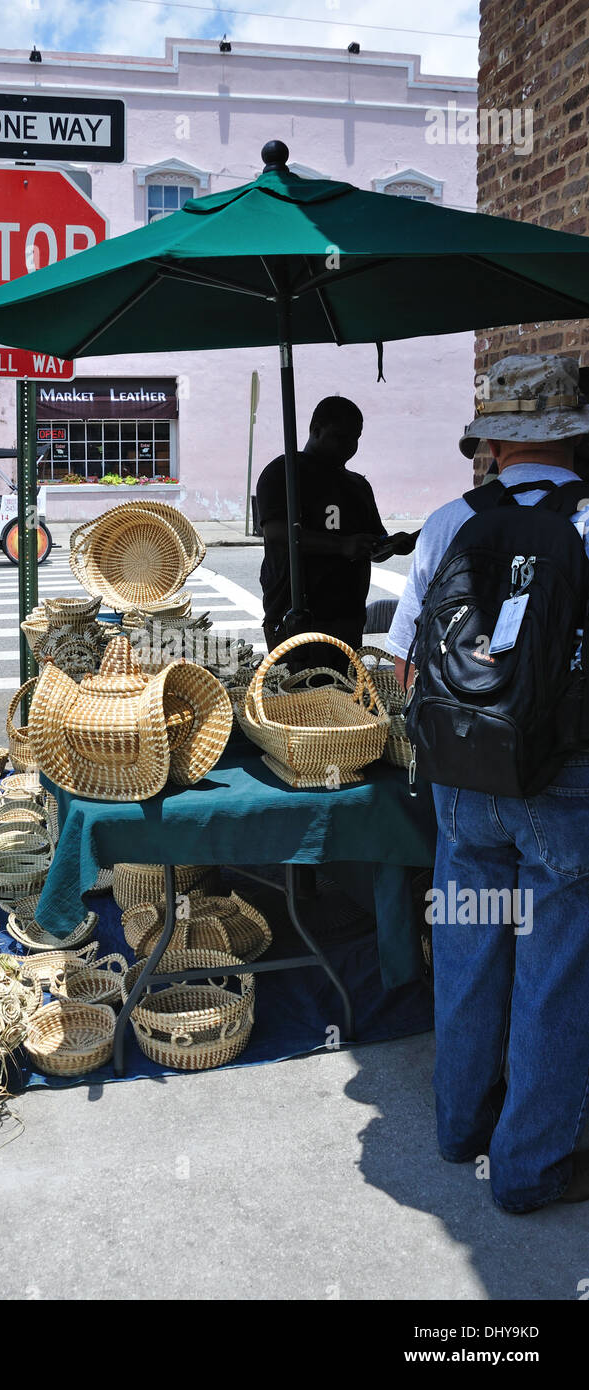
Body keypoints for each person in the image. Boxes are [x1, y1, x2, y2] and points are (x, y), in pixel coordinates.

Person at [384, 353, 589, 1213]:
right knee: (553, 970)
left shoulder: (445, 521)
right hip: (563, 780)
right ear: (571, 433)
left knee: (468, 949)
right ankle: (529, 1167)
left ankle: (458, 1126)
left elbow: (402, 667)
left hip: (464, 782)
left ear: (494, 441)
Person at [256, 396, 415, 670]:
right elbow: (276, 532)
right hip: (295, 614)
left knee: (342, 699)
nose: (348, 447)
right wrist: (341, 546)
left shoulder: (358, 486)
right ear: (316, 430)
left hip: (347, 617)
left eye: (355, 439)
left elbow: (372, 546)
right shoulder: (283, 472)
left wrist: (391, 545)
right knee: (296, 701)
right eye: (340, 437)